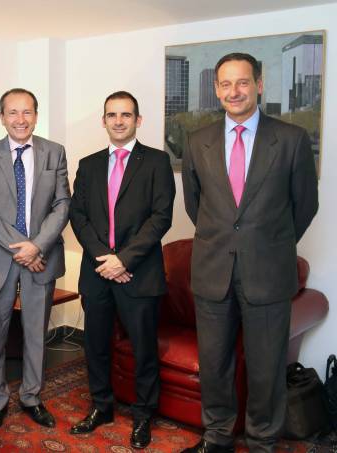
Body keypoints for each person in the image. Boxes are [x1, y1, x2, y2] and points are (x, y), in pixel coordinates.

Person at [181, 53, 319, 453]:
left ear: (259, 84)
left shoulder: (291, 139)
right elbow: (196, 205)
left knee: (266, 368)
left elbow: (305, 206)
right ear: (216, 89)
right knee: (214, 364)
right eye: (225, 84)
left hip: (268, 273)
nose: (234, 91)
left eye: (242, 82)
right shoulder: (198, 141)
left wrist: (268, 243)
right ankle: (217, 437)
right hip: (212, 272)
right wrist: (226, 239)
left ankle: (262, 442)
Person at [69, 91, 175, 448]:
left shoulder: (157, 162)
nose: (118, 121)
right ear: (103, 121)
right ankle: (101, 406)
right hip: (97, 272)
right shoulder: (88, 165)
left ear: (137, 120)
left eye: (126, 115)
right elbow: (78, 216)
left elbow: (161, 217)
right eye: (112, 115)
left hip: (139, 273)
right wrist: (106, 259)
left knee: (143, 349)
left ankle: (143, 415)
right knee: (95, 345)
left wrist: (124, 260)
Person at [0, 88, 71, 431]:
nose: (20, 119)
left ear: (36, 116)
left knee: (35, 333)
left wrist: (38, 246)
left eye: (27, 112)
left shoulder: (54, 152)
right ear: (2, 117)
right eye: (13, 112)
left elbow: (62, 204)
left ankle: (31, 396)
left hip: (41, 257)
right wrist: (24, 249)